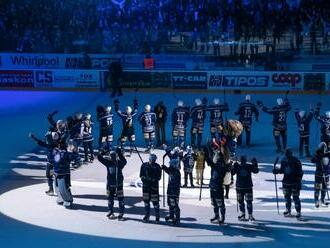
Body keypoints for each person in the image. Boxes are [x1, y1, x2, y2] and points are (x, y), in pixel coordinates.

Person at [204, 139, 232, 225]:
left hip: (219, 187)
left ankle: (222, 217)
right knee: (214, 203)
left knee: (220, 203)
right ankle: (216, 215)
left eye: (220, 161)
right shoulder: (215, 166)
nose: (218, 162)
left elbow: (226, 163)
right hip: (212, 186)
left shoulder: (223, 168)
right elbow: (209, 161)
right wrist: (206, 152)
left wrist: (222, 155)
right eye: (218, 161)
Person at [98, 147, 127, 220]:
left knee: (120, 199)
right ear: (110, 157)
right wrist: (103, 152)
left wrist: (120, 153)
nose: (113, 158)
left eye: (114, 156)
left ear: (116, 156)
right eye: (112, 156)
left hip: (118, 184)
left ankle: (121, 213)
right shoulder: (108, 163)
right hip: (110, 184)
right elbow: (99, 158)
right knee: (110, 199)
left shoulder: (119, 164)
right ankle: (110, 211)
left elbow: (124, 161)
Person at [273, 149, 303, 219]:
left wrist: (298, 180)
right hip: (286, 182)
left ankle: (298, 211)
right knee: (287, 197)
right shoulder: (283, 160)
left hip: (294, 182)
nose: (287, 156)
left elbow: (300, 172)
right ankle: (288, 209)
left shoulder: (296, 161)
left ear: (291, 154)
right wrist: (276, 171)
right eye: (286, 154)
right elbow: (282, 170)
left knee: (295, 197)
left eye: (288, 154)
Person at [232, 156, 259, 221]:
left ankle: (247, 215)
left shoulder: (246, 166)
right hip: (244, 187)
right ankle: (246, 214)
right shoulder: (244, 166)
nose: (242, 162)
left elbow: (256, 170)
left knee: (246, 201)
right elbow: (232, 173)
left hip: (243, 187)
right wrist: (233, 167)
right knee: (243, 201)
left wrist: (255, 164)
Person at [52, 140, 76, 209]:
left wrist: (72, 151)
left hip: (64, 173)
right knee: (57, 187)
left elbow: (73, 157)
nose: (58, 146)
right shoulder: (56, 151)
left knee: (64, 188)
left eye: (60, 145)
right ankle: (60, 198)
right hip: (56, 172)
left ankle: (68, 200)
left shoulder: (66, 153)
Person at [139, 153, 162, 222]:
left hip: (154, 187)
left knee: (155, 202)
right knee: (146, 202)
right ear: (149, 159)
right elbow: (141, 175)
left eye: (154, 160)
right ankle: (147, 215)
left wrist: (152, 180)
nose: (152, 161)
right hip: (146, 187)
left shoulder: (158, 167)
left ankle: (157, 216)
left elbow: (159, 177)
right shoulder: (144, 165)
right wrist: (145, 179)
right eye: (151, 159)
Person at [162, 157, 181, 225]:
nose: (169, 165)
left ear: (173, 165)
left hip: (174, 191)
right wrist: (165, 168)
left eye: (170, 164)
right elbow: (169, 171)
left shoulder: (176, 172)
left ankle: (177, 218)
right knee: (170, 204)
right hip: (170, 190)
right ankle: (171, 215)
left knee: (174, 204)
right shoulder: (172, 170)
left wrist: (166, 168)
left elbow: (171, 171)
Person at [312, 142, 330, 208]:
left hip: (326, 174)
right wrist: (318, 157)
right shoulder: (317, 154)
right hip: (319, 174)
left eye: (324, 148)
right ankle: (316, 200)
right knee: (317, 188)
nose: (323, 149)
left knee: (325, 188)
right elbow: (312, 160)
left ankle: (322, 199)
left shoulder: (328, 154)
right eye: (322, 148)